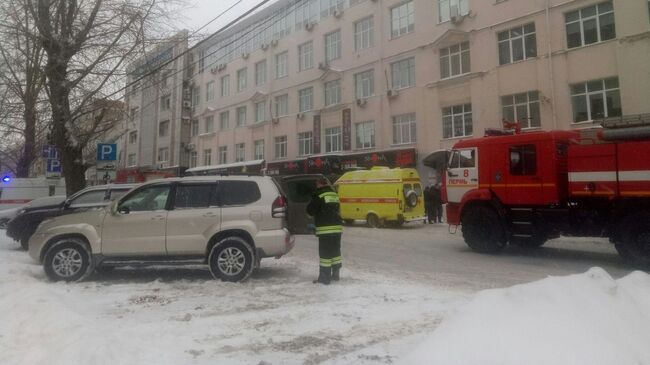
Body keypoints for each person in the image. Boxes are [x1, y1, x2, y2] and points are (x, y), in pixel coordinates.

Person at [306, 178, 343, 285]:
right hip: (337, 229)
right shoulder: (334, 194)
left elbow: (310, 211)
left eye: (316, 183)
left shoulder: (319, 195)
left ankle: (324, 278)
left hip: (326, 230)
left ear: (319, 184)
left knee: (325, 254)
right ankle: (335, 275)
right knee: (335, 252)